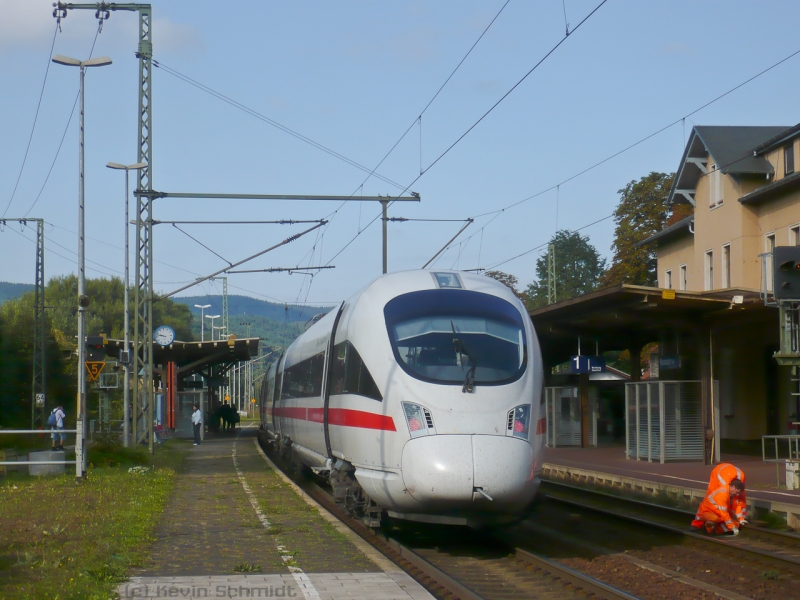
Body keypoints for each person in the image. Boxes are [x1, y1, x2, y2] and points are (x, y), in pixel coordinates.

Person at [691, 463, 747, 535]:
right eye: (737, 492)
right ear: (732, 487)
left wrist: (741, 519)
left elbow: (738, 503)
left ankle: (716, 528)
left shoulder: (736, 485)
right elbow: (724, 512)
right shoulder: (723, 492)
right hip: (709, 511)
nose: (737, 495)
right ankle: (704, 526)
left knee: (735, 523)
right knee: (716, 516)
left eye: (739, 493)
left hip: (719, 510)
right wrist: (732, 527)